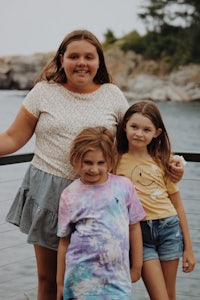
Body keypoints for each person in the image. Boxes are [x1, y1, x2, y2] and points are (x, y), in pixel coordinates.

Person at [0, 29, 184, 300]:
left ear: (99, 62)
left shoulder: (112, 94)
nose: (81, 62)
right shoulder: (42, 92)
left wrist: (169, 160)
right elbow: (13, 138)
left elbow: (136, 137)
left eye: (89, 56)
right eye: (74, 56)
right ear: (61, 59)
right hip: (49, 191)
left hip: (101, 197)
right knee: (48, 279)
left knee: (97, 277)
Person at [115, 101, 196, 300]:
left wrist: (189, 248)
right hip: (139, 234)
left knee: (169, 295)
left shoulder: (163, 160)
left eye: (146, 129)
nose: (139, 134)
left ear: (156, 133)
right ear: (125, 126)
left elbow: (178, 205)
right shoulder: (114, 160)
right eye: (134, 127)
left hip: (169, 228)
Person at [56, 126, 146, 300]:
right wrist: (60, 283)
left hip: (117, 279)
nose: (94, 169)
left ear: (110, 161)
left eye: (101, 163)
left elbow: (134, 228)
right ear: (76, 159)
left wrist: (137, 267)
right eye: (88, 162)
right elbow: (64, 241)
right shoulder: (69, 194)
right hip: (80, 279)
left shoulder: (124, 186)